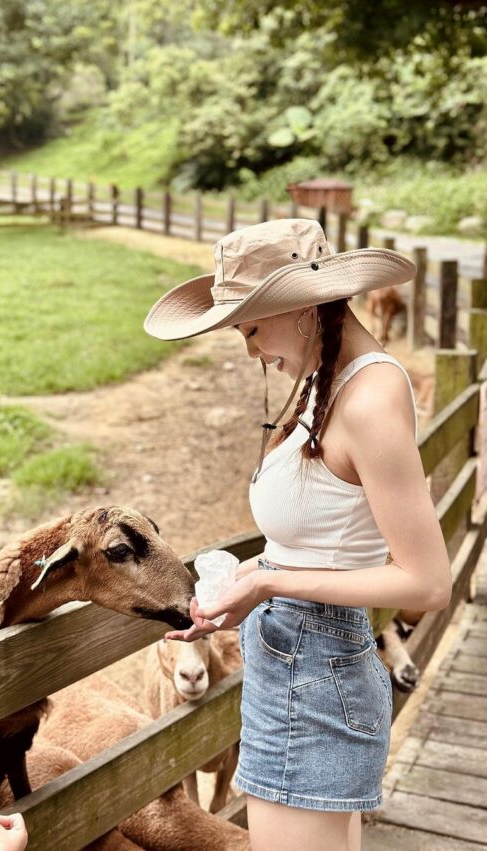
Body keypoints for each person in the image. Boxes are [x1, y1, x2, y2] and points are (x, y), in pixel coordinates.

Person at [143, 218, 452, 851]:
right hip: (300, 661)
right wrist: (247, 590)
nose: (250, 350)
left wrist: (266, 580)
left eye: (251, 328)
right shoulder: (329, 381)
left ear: (305, 306)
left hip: (312, 672)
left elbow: (427, 581)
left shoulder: (366, 400)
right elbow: (328, 539)